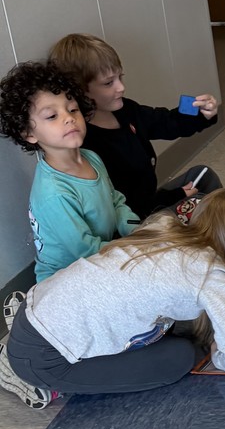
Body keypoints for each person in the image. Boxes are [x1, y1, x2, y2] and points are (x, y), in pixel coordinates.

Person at [0, 189, 225, 409]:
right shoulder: (211, 274)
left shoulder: (163, 227)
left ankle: (20, 337)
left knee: (168, 327)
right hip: (44, 359)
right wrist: (219, 350)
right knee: (181, 357)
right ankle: (22, 374)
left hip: (38, 303)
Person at [48, 33, 221, 218]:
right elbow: (120, 207)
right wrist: (173, 197)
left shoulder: (126, 111)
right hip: (135, 222)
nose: (121, 87)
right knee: (207, 205)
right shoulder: (86, 142)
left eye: (119, 77)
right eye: (108, 83)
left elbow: (166, 122)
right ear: (79, 90)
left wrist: (202, 112)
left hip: (152, 203)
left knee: (204, 176)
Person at [0, 61, 139, 282]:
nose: (68, 117)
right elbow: (85, 251)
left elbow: (115, 201)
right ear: (28, 133)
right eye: (51, 116)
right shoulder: (53, 193)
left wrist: (137, 231)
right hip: (66, 279)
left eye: (72, 109)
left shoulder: (92, 158)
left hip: (101, 255)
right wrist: (134, 250)